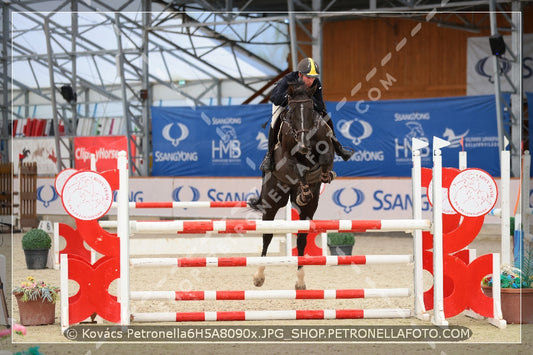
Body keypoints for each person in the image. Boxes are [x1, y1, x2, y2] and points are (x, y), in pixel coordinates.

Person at [260, 57, 354, 172]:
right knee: (275, 122)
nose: (311, 81)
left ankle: (338, 147)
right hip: (284, 104)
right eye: (308, 77)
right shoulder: (289, 79)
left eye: (313, 78)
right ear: (300, 74)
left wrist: (307, 98)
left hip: (305, 105)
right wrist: (290, 95)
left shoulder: (316, 84)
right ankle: (269, 156)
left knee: (325, 116)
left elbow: (320, 106)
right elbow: (275, 98)